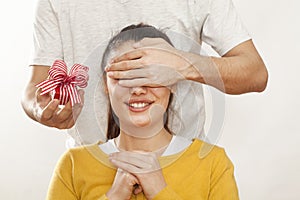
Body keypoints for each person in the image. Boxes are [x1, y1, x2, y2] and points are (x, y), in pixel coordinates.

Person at [21, 0, 268, 144]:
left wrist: (182, 64)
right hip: (90, 173)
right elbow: (35, 88)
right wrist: (41, 109)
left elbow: (255, 73)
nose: (137, 89)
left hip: (185, 171)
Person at [46, 24, 239, 200]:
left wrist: (159, 190)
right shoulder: (73, 165)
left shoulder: (213, 163)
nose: (138, 89)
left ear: (172, 82)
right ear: (106, 85)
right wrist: (114, 195)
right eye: (125, 76)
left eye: (149, 74)